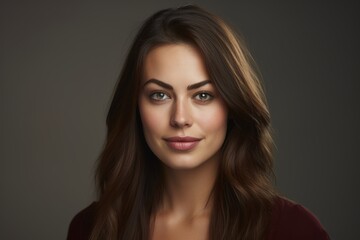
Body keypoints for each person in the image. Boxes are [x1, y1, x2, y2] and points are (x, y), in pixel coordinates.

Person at [67, 5, 330, 240]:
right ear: (135, 106)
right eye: (160, 95)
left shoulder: (294, 230)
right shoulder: (91, 228)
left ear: (232, 104)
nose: (180, 118)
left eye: (203, 95)